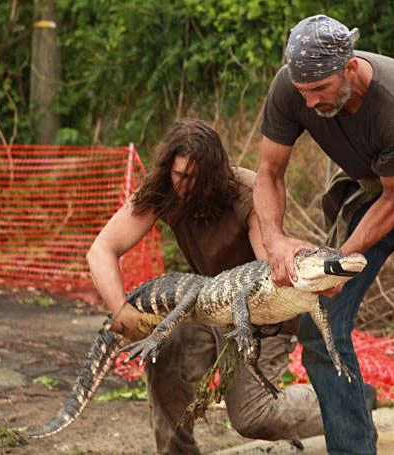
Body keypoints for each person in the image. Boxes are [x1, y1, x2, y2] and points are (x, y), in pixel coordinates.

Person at [253, 14, 394, 455]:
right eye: (303, 92)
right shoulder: (292, 87)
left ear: (350, 67)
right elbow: (268, 171)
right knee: (320, 331)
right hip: (373, 189)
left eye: (320, 89)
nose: (311, 101)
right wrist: (275, 239)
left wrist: (340, 264)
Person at [87, 119, 324, 453]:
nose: (184, 185)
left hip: (259, 318)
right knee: (162, 352)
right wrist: (123, 314)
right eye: (179, 174)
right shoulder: (165, 189)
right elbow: (101, 250)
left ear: (215, 174)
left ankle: (339, 403)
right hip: (208, 306)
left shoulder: (247, 193)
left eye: (194, 178)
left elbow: (265, 273)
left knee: (252, 417)